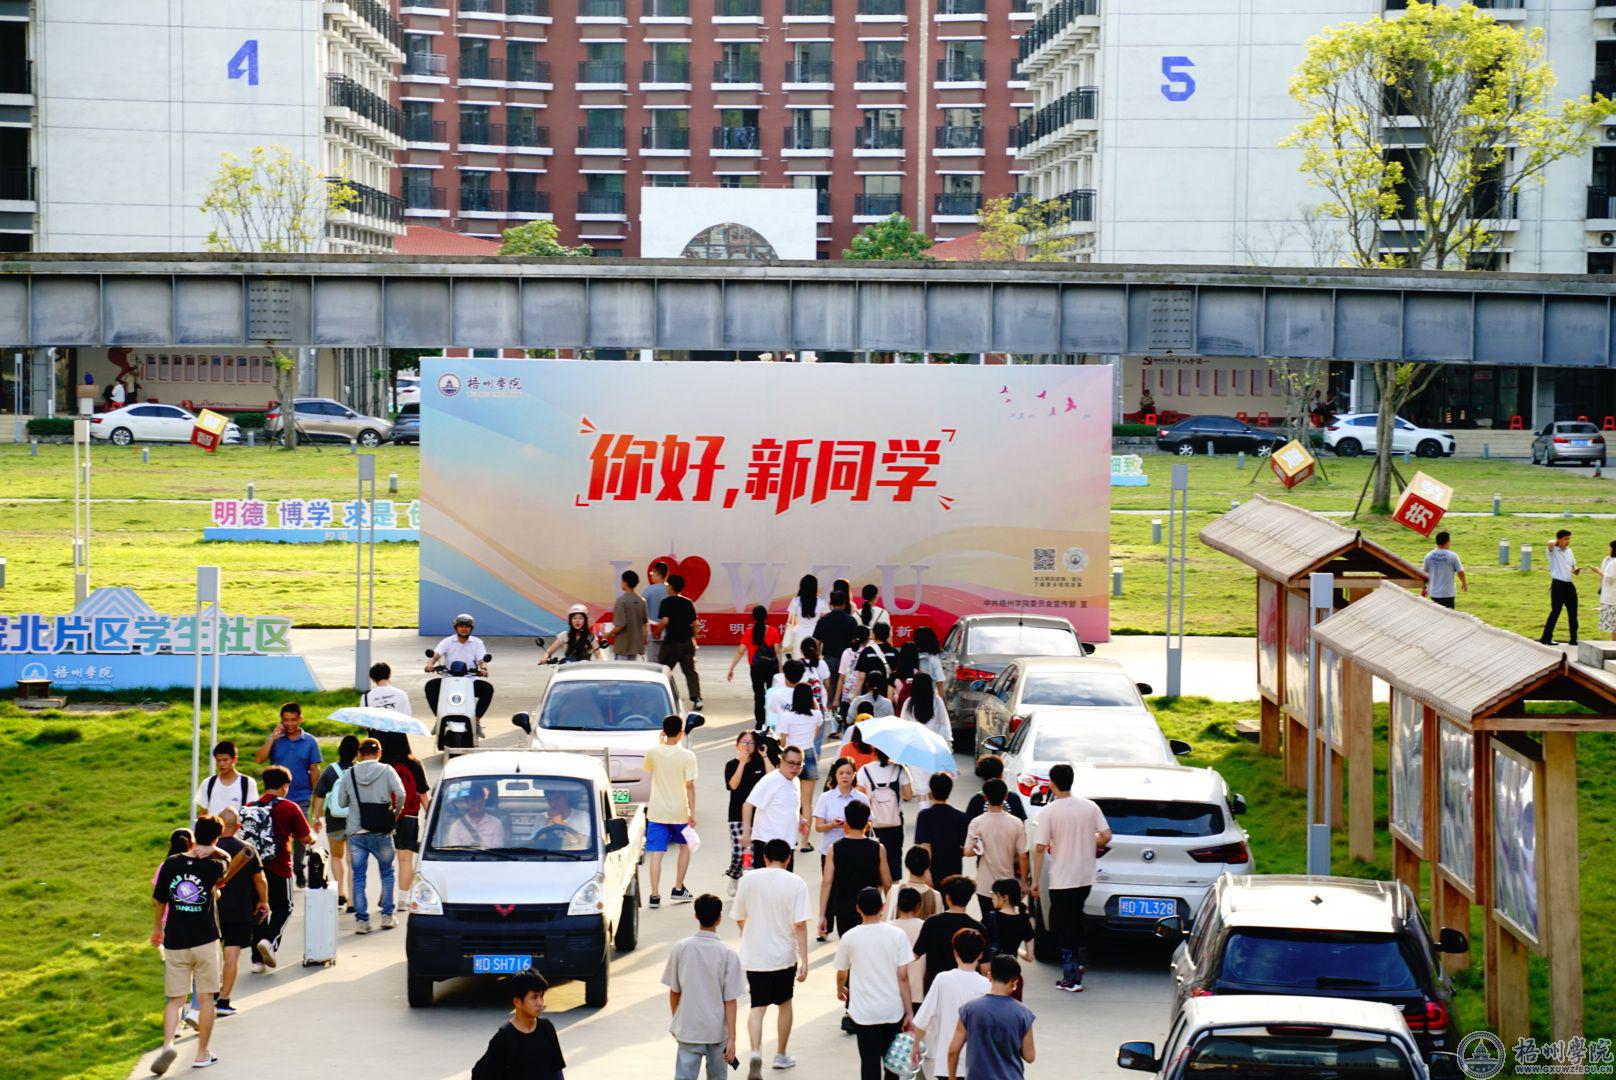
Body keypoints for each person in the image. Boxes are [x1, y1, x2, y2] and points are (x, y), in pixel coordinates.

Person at [150, 815, 235, 1074]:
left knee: (175, 999)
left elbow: (158, 900)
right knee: (206, 998)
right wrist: (214, 850)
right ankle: (201, 1054)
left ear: (194, 834)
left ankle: (167, 1045)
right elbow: (229, 861)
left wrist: (157, 929)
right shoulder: (214, 865)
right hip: (205, 939)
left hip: (176, 939)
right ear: (217, 838)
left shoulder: (171, 863)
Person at [731, 839, 812, 1078]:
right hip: (783, 955)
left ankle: (756, 1051)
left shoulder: (748, 880)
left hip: (755, 954)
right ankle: (781, 1054)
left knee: (757, 1006)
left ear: (764, 858)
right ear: (788, 859)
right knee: (784, 1003)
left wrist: (748, 935)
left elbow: (739, 916)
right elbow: (800, 924)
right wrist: (805, 960)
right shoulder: (796, 883)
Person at [1030, 762, 1111, 992]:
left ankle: (1072, 977)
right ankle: (1081, 961)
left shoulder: (1049, 811)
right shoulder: (1090, 807)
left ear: (1052, 783)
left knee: (1063, 926)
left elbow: (1039, 847)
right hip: (1085, 876)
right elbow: (1106, 835)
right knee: (1076, 918)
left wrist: (1034, 879)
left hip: (1062, 877)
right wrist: (1091, 842)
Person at [833, 887, 915, 1080]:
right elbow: (903, 976)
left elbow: (841, 972)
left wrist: (840, 988)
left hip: (865, 1012)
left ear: (858, 909)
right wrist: (909, 1011)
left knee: (869, 1064)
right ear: (882, 907)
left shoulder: (849, 937)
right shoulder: (897, 935)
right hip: (892, 1009)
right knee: (892, 1065)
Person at [663, 893, 745, 1080]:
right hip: (717, 1032)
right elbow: (730, 1001)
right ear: (719, 918)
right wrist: (732, 1038)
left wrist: (676, 1021)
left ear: (696, 916)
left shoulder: (681, 948)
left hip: (689, 1029)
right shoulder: (728, 953)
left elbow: (674, 992)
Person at [248, 766, 318, 970]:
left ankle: (257, 961)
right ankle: (269, 941)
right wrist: (314, 837)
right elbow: (305, 838)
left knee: (260, 909)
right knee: (284, 908)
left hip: (255, 869)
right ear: (285, 786)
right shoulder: (289, 807)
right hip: (280, 866)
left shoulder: (250, 807)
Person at [337, 737, 405, 933]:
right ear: (379, 753)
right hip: (382, 830)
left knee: (358, 876)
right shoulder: (387, 770)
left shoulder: (349, 773)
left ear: (359, 754)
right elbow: (401, 793)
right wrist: (395, 812)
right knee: (387, 873)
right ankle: (387, 916)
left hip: (356, 831)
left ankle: (362, 921)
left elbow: (341, 802)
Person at [252, 702, 322, 887]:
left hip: (301, 795)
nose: (289, 724)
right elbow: (259, 759)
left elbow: (314, 769)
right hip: (276, 796)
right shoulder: (275, 739)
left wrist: (316, 796)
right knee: (276, 833)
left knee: (301, 834)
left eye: (293, 720)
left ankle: (298, 866)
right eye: (285, 720)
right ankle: (277, 867)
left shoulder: (310, 741)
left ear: (300, 719)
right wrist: (273, 739)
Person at [212, 808, 269, 1018]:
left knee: (212, 953)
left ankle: (210, 995)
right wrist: (263, 901)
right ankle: (224, 1001)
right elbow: (260, 880)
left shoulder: (210, 850)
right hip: (239, 910)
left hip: (211, 910)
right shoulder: (247, 849)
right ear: (238, 826)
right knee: (232, 955)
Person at [914, 928, 989, 1079]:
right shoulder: (987, 985)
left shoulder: (942, 980)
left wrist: (915, 1046)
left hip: (947, 1063)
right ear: (980, 955)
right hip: (978, 1064)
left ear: (955, 953)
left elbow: (923, 1019)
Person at [949, 956, 1036, 1080]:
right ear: (1015, 982)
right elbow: (1029, 1056)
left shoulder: (969, 1009)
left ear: (989, 976)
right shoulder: (1023, 1013)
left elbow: (953, 1051)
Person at [471, 970, 567, 1080]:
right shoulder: (504, 1037)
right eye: (534, 997)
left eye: (541, 996)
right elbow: (480, 1074)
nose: (540, 1003)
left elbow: (556, 1070)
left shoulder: (547, 1028)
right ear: (517, 1002)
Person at [645, 714, 699, 908]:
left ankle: (654, 895)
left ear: (663, 731)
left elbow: (649, 769)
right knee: (685, 847)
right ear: (681, 733)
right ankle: (678, 888)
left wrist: (661, 742)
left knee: (656, 854)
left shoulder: (653, 752)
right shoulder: (688, 756)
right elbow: (690, 785)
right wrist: (693, 812)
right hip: (679, 811)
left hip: (657, 811)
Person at [819, 800, 892, 939]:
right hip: (871, 907)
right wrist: (890, 910)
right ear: (867, 823)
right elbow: (887, 882)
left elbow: (827, 883)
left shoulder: (834, 848)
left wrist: (822, 915)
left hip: (844, 907)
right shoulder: (878, 848)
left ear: (847, 822)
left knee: (848, 945)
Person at [376, 729, 431, 906]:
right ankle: (402, 899)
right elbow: (422, 794)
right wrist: (430, 817)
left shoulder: (381, 765)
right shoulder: (414, 764)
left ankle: (386, 895)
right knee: (405, 859)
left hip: (386, 816)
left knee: (386, 860)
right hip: (409, 816)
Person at [965, 779, 1028, 920]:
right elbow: (1023, 855)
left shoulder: (977, 822)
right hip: (1008, 883)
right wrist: (1024, 882)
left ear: (985, 797)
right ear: (1005, 796)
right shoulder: (1016, 822)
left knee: (988, 921)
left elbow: (967, 852)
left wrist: (978, 848)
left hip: (985, 884)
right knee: (1007, 922)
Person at [310, 734, 360, 911]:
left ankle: (340, 893)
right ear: (357, 752)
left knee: (337, 857)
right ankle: (353, 901)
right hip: (356, 821)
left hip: (334, 820)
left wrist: (316, 818)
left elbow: (319, 795)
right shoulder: (360, 770)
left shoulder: (330, 771)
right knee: (352, 861)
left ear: (340, 750)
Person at [913, 875, 984, 994]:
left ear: (948, 898)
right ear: (969, 898)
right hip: (967, 990)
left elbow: (915, 955)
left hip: (936, 987)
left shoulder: (932, 923)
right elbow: (985, 966)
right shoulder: (978, 928)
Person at [743, 745, 806, 871]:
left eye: (798, 764)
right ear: (782, 761)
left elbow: (789, 806)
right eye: (791, 763)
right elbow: (748, 805)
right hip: (767, 843)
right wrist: (746, 833)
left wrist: (800, 820)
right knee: (765, 882)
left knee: (785, 882)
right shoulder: (770, 780)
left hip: (788, 844)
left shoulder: (796, 781)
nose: (795, 767)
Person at [724, 731, 772, 895]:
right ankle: (735, 875)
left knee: (753, 852)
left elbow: (772, 777)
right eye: (744, 742)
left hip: (759, 814)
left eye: (751, 743)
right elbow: (733, 785)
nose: (747, 745)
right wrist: (742, 763)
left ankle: (749, 884)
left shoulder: (760, 763)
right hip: (737, 814)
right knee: (740, 850)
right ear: (737, 745)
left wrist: (764, 756)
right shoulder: (731, 764)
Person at [775, 683, 824, 842]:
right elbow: (815, 736)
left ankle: (790, 838)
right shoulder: (816, 715)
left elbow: (782, 742)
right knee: (807, 802)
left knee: (789, 801)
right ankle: (804, 842)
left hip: (791, 756)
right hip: (808, 755)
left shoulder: (786, 716)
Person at [856, 747, 913, 882]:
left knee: (874, 863)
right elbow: (908, 795)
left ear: (874, 751)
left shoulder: (865, 770)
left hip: (873, 825)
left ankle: (877, 893)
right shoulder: (900, 769)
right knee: (894, 862)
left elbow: (858, 797)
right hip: (895, 824)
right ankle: (893, 893)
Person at [425, 612, 494, 720]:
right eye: (461, 626)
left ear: (471, 628)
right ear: (456, 627)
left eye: (467, 626)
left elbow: (482, 660)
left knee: (487, 689)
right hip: (449, 679)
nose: (464, 629)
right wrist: (429, 665)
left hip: (470, 679)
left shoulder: (477, 643)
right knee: (430, 686)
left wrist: (484, 669)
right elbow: (436, 655)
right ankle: (439, 717)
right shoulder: (448, 641)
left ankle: (476, 720)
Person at [727, 605, 781, 731]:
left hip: (756, 668)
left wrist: (731, 669)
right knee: (771, 694)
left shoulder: (749, 631)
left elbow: (740, 651)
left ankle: (759, 722)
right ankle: (771, 721)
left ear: (753, 618)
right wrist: (780, 668)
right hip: (771, 668)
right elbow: (778, 651)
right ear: (766, 617)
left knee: (759, 695)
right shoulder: (773, 631)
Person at [899, 673, 953, 796]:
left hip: (915, 749)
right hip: (933, 747)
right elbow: (944, 725)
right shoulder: (937, 702)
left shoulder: (909, 703)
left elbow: (903, 726)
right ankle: (933, 806)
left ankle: (922, 806)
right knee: (932, 783)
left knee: (919, 784)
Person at [656, 574, 704, 710]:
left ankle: (661, 696)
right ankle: (697, 698)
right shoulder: (688, 602)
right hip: (687, 642)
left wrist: (656, 631)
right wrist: (694, 639)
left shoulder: (666, 602)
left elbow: (665, 621)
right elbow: (695, 623)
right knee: (690, 672)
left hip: (671, 643)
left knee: (663, 670)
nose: (666, 587)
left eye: (667, 585)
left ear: (671, 587)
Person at [916, 773, 970, 887]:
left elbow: (925, 846)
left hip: (933, 870)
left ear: (931, 791)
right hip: (954, 870)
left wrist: (926, 872)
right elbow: (964, 847)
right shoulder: (961, 817)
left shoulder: (925, 816)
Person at [812, 757, 870, 864]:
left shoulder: (862, 798)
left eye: (848, 773)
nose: (845, 776)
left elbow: (870, 823)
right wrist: (832, 825)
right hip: (830, 851)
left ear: (854, 775)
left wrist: (855, 826)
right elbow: (818, 827)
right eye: (841, 773)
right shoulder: (825, 797)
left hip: (857, 850)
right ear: (835, 775)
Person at [815, 590, 860, 716]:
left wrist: (816, 660)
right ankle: (842, 716)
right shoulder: (851, 620)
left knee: (829, 688)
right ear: (845, 603)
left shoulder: (823, 620)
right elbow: (854, 642)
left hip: (828, 659)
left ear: (831, 603)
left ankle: (830, 715)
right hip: (846, 661)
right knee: (845, 689)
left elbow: (817, 642)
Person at [194, 740, 258, 818]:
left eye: (225, 760)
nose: (221, 764)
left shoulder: (248, 783)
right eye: (218, 760)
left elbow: (252, 814)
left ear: (235, 760)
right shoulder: (208, 783)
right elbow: (203, 813)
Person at [1542, 529, 1583, 645]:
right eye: (1565, 539)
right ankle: (1546, 638)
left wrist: (1576, 570)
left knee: (1573, 612)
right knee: (1556, 611)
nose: (1568, 541)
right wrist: (1557, 543)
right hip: (1558, 585)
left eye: (1569, 539)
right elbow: (1549, 543)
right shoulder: (1553, 551)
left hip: (1569, 585)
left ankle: (1573, 639)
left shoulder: (1569, 551)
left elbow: (1573, 567)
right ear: (1558, 540)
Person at [891, 887, 929, 1012]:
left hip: (893, 990)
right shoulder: (925, 926)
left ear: (898, 905)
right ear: (918, 906)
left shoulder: (888, 927)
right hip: (919, 990)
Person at [985, 879, 1035, 969]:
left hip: (993, 969)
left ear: (1005, 897)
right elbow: (1030, 957)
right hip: (1011, 970)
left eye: (993, 894)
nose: (992, 897)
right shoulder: (1024, 920)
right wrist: (1017, 950)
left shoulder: (991, 917)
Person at [884, 846, 942, 921]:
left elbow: (885, 920)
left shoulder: (894, 890)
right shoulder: (936, 895)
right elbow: (937, 924)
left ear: (906, 865)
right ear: (927, 866)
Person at [964, 757, 1027, 823]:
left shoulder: (976, 800)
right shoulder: (1014, 798)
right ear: (1001, 773)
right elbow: (1021, 824)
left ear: (982, 775)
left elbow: (968, 825)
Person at [445, 783, 506, 847]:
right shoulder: (456, 826)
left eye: (480, 804)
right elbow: (455, 850)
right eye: (473, 805)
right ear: (467, 804)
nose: (477, 809)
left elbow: (498, 848)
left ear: (484, 801)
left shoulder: (496, 824)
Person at [833, 624, 872, 725]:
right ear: (868, 638)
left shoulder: (847, 652)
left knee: (847, 726)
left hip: (847, 696)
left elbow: (841, 677)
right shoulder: (870, 652)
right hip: (864, 696)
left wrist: (836, 699)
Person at [608, 569, 649, 660]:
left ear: (625, 583)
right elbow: (644, 625)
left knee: (620, 669)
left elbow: (620, 625)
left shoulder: (621, 601)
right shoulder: (642, 601)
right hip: (635, 647)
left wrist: (608, 634)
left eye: (622, 581)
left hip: (622, 647)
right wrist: (641, 644)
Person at [1421, 531, 1467, 610]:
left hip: (1433, 593)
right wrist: (1464, 583)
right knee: (1448, 615)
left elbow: (1424, 574)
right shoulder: (1453, 556)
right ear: (1448, 541)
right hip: (1447, 594)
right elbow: (1461, 572)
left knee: (1436, 613)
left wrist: (1424, 588)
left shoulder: (1428, 556)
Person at [782, 574, 822, 659]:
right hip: (816, 637)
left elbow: (790, 621)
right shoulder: (821, 602)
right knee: (815, 662)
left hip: (799, 636)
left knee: (799, 662)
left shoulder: (795, 601)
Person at [644, 561, 671, 665]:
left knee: (653, 665)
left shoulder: (648, 590)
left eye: (652, 573)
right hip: (669, 635)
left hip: (652, 634)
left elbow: (642, 612)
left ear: (656, 574)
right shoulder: (671, 591)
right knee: (666, 666)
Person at [1602, 539, 1616, 640]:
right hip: (1610, 596)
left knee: (1614, 626)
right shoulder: (1609, 560)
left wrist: (1599, 572)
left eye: (1610, 547)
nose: (1608, 549)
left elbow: (1610, 578)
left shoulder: (1614, 562)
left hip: (1612, 598)